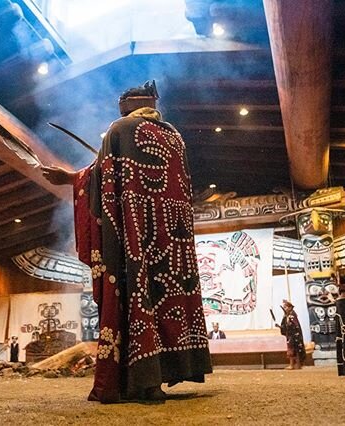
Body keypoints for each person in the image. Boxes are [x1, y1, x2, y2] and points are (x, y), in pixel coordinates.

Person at [42, 81, 212, 403]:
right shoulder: (175, 136)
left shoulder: (120, 130)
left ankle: (141, 381)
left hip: (132, 234)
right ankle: (162, 374)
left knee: (136, 296)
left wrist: (69, 178)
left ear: (126, 107)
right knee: (166, 298)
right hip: (170, 237)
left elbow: (103, 177)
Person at [276, 300, 306, 370]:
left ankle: (297, 365)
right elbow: (286, 326)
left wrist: (288, 326)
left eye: (285, 307)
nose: (284, 309)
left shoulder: (292, 316)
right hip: (290, 335)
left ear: (290, 307)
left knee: (295, 350)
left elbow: (294, 326)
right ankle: (293, 365)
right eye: (284, 307)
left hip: (294, 335)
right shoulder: (287, 316)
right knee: (291, 350)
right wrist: (280, 327)